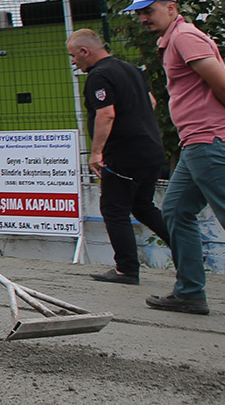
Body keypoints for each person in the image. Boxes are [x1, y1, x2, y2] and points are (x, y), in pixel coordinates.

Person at [116, 0, 225, 316]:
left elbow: (222, 82)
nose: (142, 18)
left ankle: (190, 291)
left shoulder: (184, 37)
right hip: (199, 142)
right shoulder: (174, 40)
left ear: (171, 7)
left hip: (211, 141)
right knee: (177, 212)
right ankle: (190, 293)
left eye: (148, 10)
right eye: (138, 13)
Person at [66, 28, 169, 284]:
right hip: (151, 149)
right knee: (143, 206)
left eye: (73, 56)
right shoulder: (132, 69)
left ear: (84, 51)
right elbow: (152, 102)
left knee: (114, 209)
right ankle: (187, 249)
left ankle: (126, 269)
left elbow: (106, 114)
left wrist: (96, 152)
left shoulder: (98, 75)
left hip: (124, 155)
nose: (73, 62)